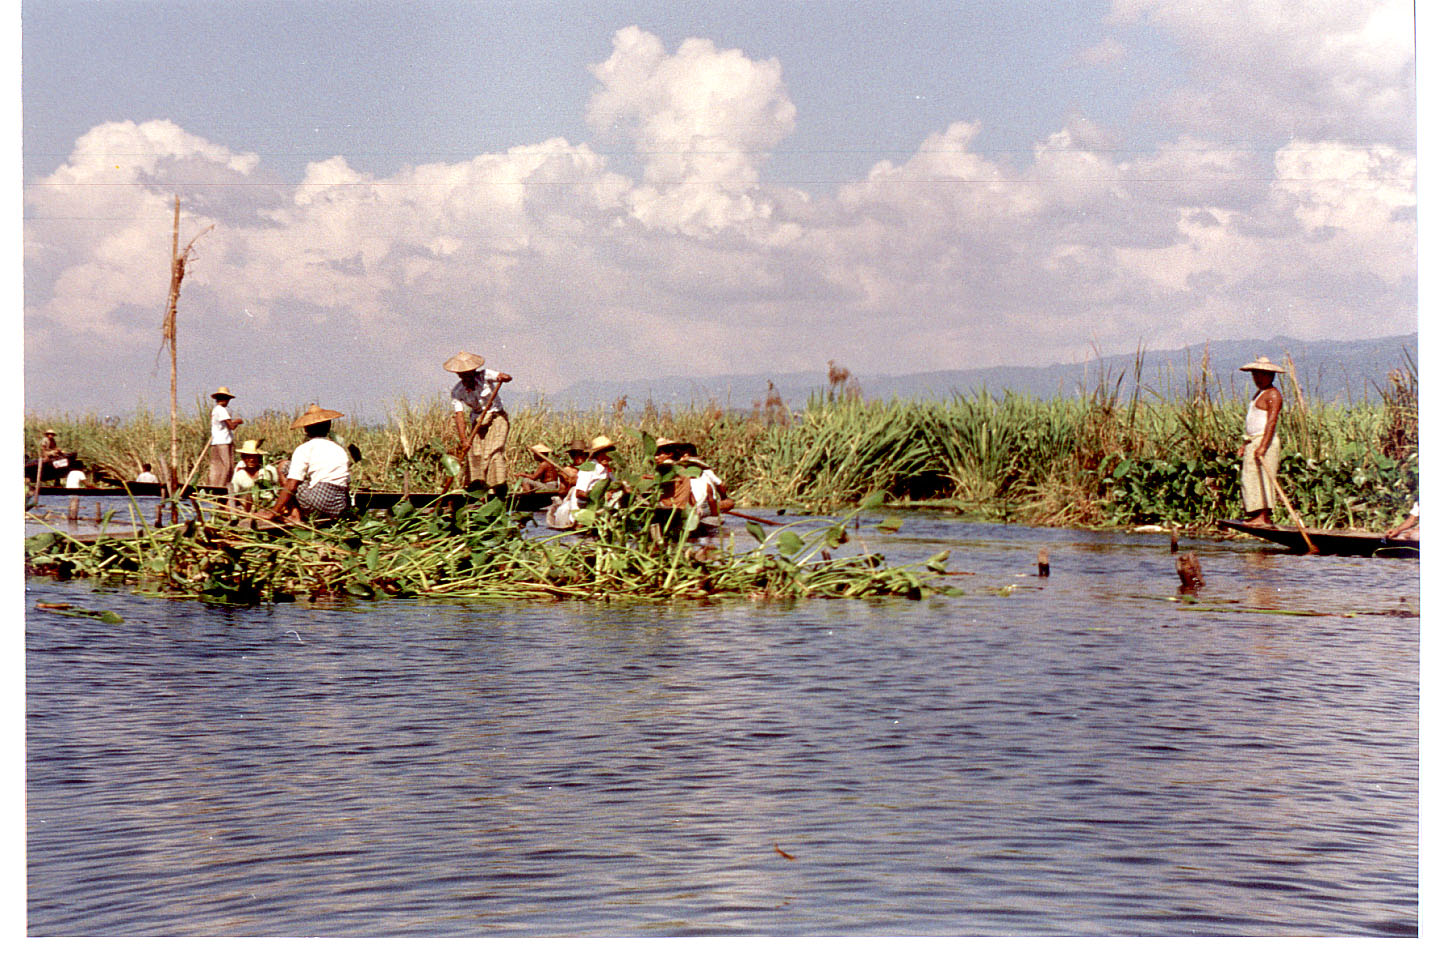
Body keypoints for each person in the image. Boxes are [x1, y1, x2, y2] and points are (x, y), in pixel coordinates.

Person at [262, 405, 350, 523]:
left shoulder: (305, 448)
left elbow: (291, 485)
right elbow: (346, 483)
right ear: (328, 428)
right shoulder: (339, 449)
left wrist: (273, 512)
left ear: (306, 430)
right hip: (338, 507)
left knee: (283, 465)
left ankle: (295, 514)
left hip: (317, 502)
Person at [444, 351, 512, 495]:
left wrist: (504, 377)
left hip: (496, 418)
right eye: (462, 374)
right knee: (475, 453)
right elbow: (459, 416)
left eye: (468, 373)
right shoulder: (457, 391)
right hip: (477, 421)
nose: (465, 376)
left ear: (473, 371)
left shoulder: (485, 375)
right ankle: (477, 490)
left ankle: (496, 488)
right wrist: (464, 439)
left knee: (494, 452)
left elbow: (505, 377)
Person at [1237, 357, 1284, 526]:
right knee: (1251, 477)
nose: (1257, 379)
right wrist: (1245, 444)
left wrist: (1263, 445)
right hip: (1254, 440)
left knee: (1263, 477)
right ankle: (1257, 514)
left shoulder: (1273, 394)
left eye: (1262, 375)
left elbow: (1271, 422)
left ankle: (1263, 516)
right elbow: (1255, 421)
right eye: (1255, 375)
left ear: (1270, 376)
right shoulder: (1260, 393)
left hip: (1265, 441)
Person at [547, 435, 616, 530]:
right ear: (599, 454)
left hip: (600, 508)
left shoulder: (607, 469)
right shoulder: (588, 468)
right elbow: (579, 493)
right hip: (583, 510)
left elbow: (615, 485)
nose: (610, 457)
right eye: (607, 454)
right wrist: (599, 496)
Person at [208, 387, 245, 487]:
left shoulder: (215, 410)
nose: (228, 401)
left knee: (217, 466)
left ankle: (214, 486)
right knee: (227, 466)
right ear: (223, 399)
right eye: (227, 399)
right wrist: (238, 421)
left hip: (216, 441)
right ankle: (222, 487)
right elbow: (231, 426)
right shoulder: (221, 410)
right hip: (223, 442)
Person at [229, 440, 279, 509]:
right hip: (247, 507)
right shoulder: (239, 475)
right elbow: (233, 495)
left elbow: (278, 488)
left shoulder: (268, 470)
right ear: (243, 458)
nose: (251, 460)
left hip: (269, 505)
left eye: (254, 456)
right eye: (248, 457)